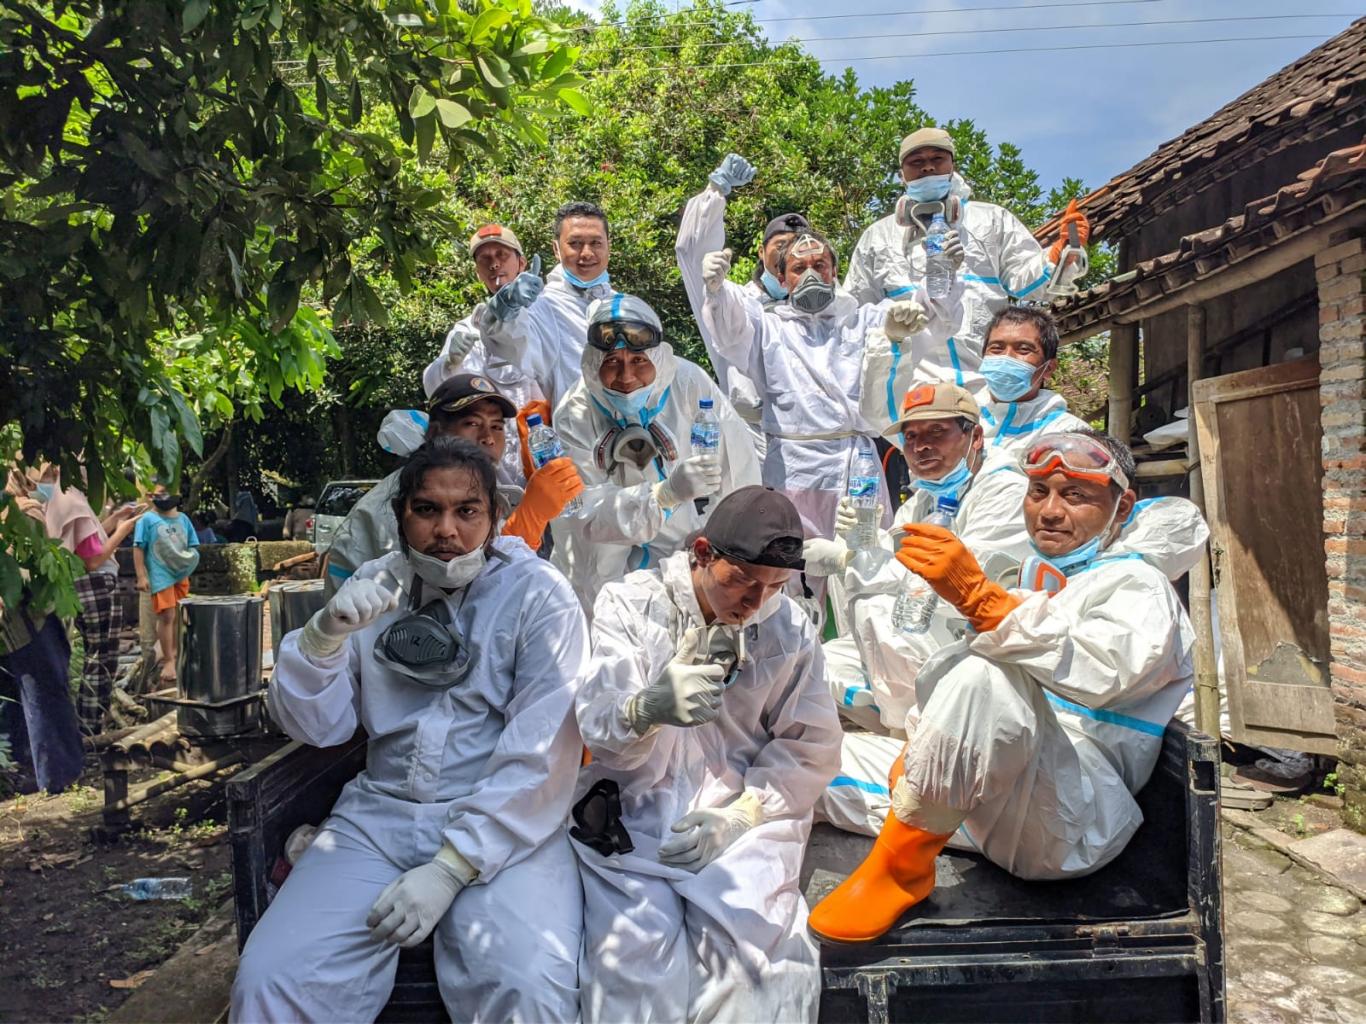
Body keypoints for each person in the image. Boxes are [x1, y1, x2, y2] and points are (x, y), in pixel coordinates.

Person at [231, 438, 589, 1023]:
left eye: (466, 511)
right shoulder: (376, 585)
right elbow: (318, 726)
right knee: (271, 979)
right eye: (427, 510)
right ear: (401, 515)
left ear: (495, 517)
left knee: (526, 985)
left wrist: (452, 866)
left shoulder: (537, 595)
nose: (446, 530)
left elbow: (541, 751)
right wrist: (323, 637)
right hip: (377, 820)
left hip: (503, 828)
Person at [808, 431, 1207, 944]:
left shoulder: (1139, 585)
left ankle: (901, 869)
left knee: (987, 674)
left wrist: (983, 602)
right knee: (807, 764)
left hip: (1064, 820)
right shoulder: (1046, 577)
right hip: (989, 800)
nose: (1050, 511)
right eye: (1039, 492)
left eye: (1075, 495)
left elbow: (1105, 668)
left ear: (1123, 506)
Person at [572, 486, 841, 1022]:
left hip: (740, 819)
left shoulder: (786, 627)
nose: (755, 602)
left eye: (774, 587)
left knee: (754, 970)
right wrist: (642, 711)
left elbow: (810, 743)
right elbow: (598, 725)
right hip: (635, 812)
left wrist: (745, 813)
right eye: (743, 580)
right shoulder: (632, 604)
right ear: (701, 553)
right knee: (631, 971)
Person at [801, 383, 1031, 835]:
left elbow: (952, 580)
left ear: (974, 437)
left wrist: (856, 559)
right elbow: (896, 552)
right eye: (912, 437)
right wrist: (859, 543)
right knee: (820, 658)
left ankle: (922, 744)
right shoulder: (924, 496)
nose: (921, 447)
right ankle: (904, 729)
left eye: (937, 433)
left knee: (876, 607)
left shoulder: (1005, 491)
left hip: (981, 651)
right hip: (933, 640)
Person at [699, 211, 940, 543]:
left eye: (819, 265)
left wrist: (940, 272)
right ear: (781, 278)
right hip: (794, 470)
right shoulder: (767, 327)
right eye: (799, 268)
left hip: (857, 467)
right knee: (792, 558)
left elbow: (931, 319)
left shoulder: (863, 320)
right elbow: (730, 330)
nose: (811, 274)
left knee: (864, 556)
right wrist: (716, 291)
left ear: (834, 272)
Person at [550, 293, 761, 612]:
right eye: (612, 362)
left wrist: (727, 542)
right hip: (603, 558)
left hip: (685, 544)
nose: (626, 377)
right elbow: (584, 510)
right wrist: (663, 496)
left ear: (658, 358)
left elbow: (738, 469)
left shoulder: (687, 383)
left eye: (638, 361)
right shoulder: (574, 413)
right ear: (593, 363)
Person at [843, 127, 1091, 395]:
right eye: (916, 161)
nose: (928, 167)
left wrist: (1059, 256)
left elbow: (1030, 285)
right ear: (902, 174)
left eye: (937, 159)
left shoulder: (992, 220)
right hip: (911, 391)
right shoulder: (877, 237)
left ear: (953, 166)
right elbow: (854, 317)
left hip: (985, 387)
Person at [325, 373, 583, 596]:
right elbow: (455, 594)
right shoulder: (392, 507)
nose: (488, 438)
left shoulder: (492, 491)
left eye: (496, 427)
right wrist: (528, 520)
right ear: (435, 432)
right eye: (472, 424)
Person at [676, 153, 810, 454]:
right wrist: (716, 191)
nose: (787, 254)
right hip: (748, 437)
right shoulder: (731, 300)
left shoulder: (822, 312)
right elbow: (691, 252)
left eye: (797, 247)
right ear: (761, 252)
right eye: (780, 245)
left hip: (807, 438)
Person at [423, 224, 544, 487]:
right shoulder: (468, 330)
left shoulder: (545, 320)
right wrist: (449, 364)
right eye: (484, 259)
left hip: (546, 456)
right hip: (489, 465)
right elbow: (438, 392)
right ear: (477, 272)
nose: (494, 264)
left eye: (502, 255)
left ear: (522, 263)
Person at [33, 464, 144, 735]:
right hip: (96, 585)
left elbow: (86, 541)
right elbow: (93, 559)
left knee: (95, 657)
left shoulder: (61, 501)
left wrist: (115, 517)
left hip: (78, 585)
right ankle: (90, 729)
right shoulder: (72, 501)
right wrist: (124, 530)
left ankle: (87, 726)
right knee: (102, 659)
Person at [475, 202, 615, 411]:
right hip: (578, 429)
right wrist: (505, 308)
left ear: (608, 246)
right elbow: (511, 342)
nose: (586, 253)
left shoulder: (627, 306)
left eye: (596, 243)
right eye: (575, 243)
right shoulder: (541, 308)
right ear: (556, 249)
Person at [0, 474, 84, 794]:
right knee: (46, 695)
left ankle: (21, 773)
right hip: (31, 620)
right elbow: (31, 572)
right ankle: (58, 777)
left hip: (11, 627)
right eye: (43, 476)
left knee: (17, 700)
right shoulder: (26, 512)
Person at [978, 306, 1089, 452]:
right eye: (997, 348)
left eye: (1023, 349)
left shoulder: (1069, 434)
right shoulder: (957, 417)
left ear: (1048, 368)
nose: (1006, 357)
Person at [133, 484, 200, 684]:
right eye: (160, 493)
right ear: (150, 496)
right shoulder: (147, 520)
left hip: (180, 573)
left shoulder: (183, 519)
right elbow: (138, 548)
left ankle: (176, 653)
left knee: (180, 615)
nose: (165, 496)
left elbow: (192, 545)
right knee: (167, 615)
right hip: (159, 574)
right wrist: (141, 576)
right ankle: (168, 660)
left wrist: (189, 561)